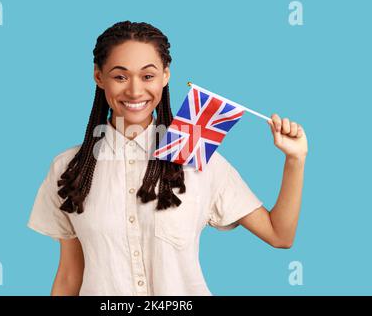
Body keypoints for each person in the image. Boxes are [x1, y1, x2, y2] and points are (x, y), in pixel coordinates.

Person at [27, 21, 308, 296]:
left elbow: (279, 235)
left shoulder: (198, 158)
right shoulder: (69, 168)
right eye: (120, 76)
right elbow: (69, 275)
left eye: (148, 76)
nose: (135, 91)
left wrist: (295, 160)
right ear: (99, 77)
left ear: (165, 75)